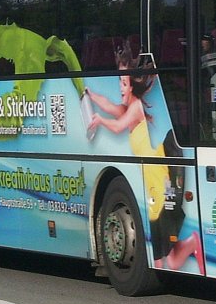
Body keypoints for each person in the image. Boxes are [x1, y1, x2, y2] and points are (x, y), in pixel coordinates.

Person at [86, 43, 205, 273]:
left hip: (157, 174)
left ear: (132, 84)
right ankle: (190, 244)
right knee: (161, 258)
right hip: (150, 175)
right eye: (119, 81)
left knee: (162, 257)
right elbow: (110, 106)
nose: (120, 87)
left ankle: (191, 244)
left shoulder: (135, 108)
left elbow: (119, 126)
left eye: (123, 82)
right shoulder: (127, 106)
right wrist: (91, 95)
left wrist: (99, 120)